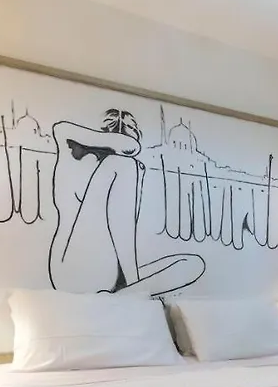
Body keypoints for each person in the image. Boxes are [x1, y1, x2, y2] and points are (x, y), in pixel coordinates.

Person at [49, 109, 205, 294]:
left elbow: (121, 233)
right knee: (125, 165)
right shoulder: (76, 157)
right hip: (73, 270)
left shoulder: (116, 175)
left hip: (109, 275)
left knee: (193, 263)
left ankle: (124, 294)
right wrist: (133, 279)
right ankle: (133, 290)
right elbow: (61, 129)